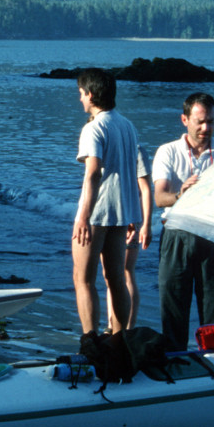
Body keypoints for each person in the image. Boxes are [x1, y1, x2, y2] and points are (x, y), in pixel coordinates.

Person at [153, 92, 214, 352]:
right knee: (174, 312)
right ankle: (176, 367)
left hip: (212, 237)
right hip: (177, 235)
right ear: (184, 120)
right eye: (199, 121)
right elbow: (159, 197)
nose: (205, 128)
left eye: (210, 121)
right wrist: (181, 195)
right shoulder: (168, 151)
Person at [73, 68, 142, 340]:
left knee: (84, 280)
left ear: (91, 94)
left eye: (81, 94)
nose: (80, 100)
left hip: (98, 211)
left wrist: (82, 217)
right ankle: (119, 337)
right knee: (116, 279)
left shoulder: (94, 128)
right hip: (122, 210)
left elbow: (93, 173)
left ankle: (90, 340)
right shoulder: (127, 125)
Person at [103, 144, 153, 333]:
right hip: (106, 215)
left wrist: (146, 223)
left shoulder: (135, 148)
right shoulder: (102, 145)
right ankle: (112, 324)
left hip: (129, 216)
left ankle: (127, 327)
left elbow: (146, 189)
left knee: (125, 270)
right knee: (110, 273)